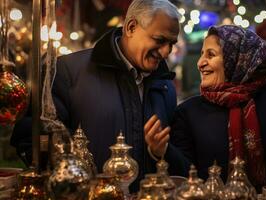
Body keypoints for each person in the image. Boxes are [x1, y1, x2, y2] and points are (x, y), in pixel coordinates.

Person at [11, 0, 180, 191]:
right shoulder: (67, 71)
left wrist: (159, 153)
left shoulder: (165, 87)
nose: (166, 52)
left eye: (171, 44)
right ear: (131, 27)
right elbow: (31, 140)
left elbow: (174, 162)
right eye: (159, 40)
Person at [144, 25, 266, 195]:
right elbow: (186, 175)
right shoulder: (189, 112)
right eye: (201, 54)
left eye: (211, 54)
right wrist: (162, 151)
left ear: (238, 58)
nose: (200, 63)